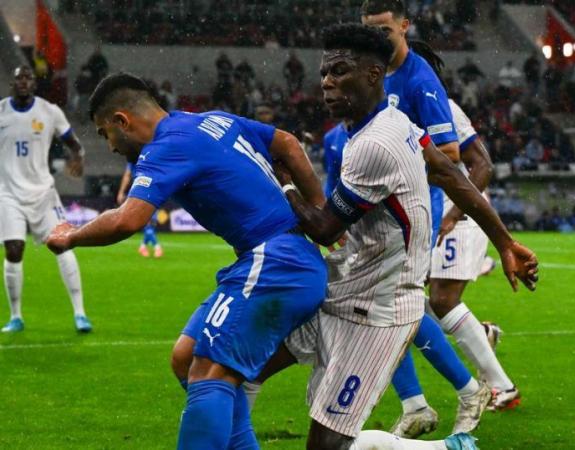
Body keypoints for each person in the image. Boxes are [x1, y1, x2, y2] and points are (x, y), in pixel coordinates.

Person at [252, 23, 538, 450]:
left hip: (376, 311)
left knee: (326, 444)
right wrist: (504, 241)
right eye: (325, 72)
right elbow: (447, 172)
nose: (327, 82)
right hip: (344, 288)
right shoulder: (393, 120)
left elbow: (326, 227)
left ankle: (444, 444)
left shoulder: (375, 145)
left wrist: (286, 183)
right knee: (242, 371)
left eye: (340, 71)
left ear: (372, 75)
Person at [45, 73, 329, 449]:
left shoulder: (166, 147)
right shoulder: (212, 119)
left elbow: (129, 219)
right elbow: (289, 144)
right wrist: (322, 214)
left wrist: (72, 236)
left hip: (275, 262)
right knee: (186, 358)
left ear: (121, 121)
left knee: (209, 371)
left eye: (104, 133)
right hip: (279, 259)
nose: (109, 146)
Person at [361, 1, 504, 435]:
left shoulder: (421, 82)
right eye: (371, 31)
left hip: (412, 208)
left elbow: (454, 156)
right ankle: (421, 401)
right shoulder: (374, 72)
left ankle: (465, 389)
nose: (378, 39)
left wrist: (397, 173)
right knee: (380, 306)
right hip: (382, 207)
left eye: (386, 30)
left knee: (397, 305)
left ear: (404, 26)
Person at [0, 66, 91, 333]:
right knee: (14, 250)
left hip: (42, 193)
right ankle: (16, 316)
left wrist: (79, 158)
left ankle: (80, 313)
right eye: (19, 78)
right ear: (13, 83)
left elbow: (73, 143)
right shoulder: (2, 111)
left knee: (63, 244)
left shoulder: (49, 112)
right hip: (8, 194)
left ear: (34, 84)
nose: (23, 82)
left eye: (28, 78)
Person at [116, 164, 163, 258]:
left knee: (151, 223)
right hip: (142, 193)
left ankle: (143, 246)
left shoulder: (149, 156)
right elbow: (127, 175)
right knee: (148, 223)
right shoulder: (134, 159)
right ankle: (157, 247)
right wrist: (121, 192)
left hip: (154, 191)